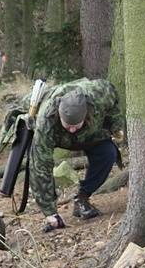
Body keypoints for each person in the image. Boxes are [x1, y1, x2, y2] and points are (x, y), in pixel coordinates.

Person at [30, 78, 124, 232]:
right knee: (41, 161)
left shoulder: (100, 94)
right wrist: (50, 212)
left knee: (108, 152)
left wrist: (116, 125)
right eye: (68, 125)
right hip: (60, 138)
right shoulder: (45, 122)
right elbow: (40, 167)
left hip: (91, 134)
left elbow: (113, 103)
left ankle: (82, 197)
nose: (72, 129)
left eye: (75, 125)